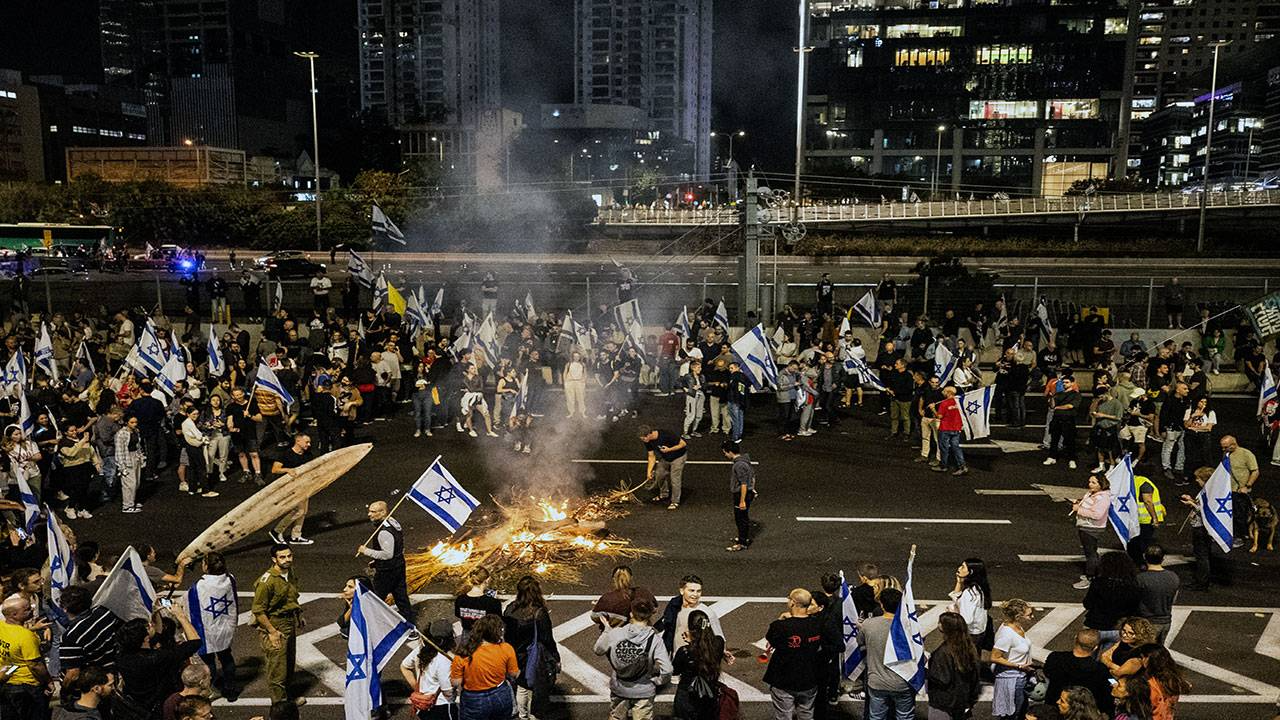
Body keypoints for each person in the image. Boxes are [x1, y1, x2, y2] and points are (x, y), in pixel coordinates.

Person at [594, 596, 671, 720]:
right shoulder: (655, 640)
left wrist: (607, 630)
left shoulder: (616, 633)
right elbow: (667, 669)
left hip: (619, 688)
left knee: (616, 717)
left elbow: (598, 650)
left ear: (631, 614)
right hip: (644, 690)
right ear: (650, 614)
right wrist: (658, 681)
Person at [252, 543, 303, 715]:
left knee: (288, 665)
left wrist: (298, 615)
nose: (287, 559)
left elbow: (292, 595)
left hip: (288, 622)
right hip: (275, 625)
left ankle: (287, 701)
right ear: (274, 559)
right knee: (277, 671)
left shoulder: (290, 572)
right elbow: (258, 610)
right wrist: (272, 632)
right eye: (282, 557)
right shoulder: (267, 582)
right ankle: (279, 711)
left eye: (289, 556)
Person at [762, 588, 829, 719]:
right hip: (809, 679)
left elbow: (772, 639)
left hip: (783, 680)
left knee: (784, 715)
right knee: (807, 714)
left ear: (793, 603)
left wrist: (782, 619)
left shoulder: (780, 626)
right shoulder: (818, 625)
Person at [502, 575, 560, 720]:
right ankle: (533, 714)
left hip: (514, 653)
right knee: (534, 687)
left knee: (521, 686)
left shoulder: (510, 609)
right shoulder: (538, 613)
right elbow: (547, 638)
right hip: (532, 656)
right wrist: (555, 657)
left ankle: (522, 715)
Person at [859, 587, 916, 720]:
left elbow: (860, 642)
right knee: (905, 717)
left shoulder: (869, 624)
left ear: (882, 605)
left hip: (877, 681)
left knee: (876, 716)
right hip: (903, 681)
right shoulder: (909, 626)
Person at [451, 613, 519, 720]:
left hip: (474, 699)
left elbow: (456, 682)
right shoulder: (506, 648)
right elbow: (513, 674)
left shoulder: (463, 653)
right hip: (500, 694)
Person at [190, 551, 238, 698]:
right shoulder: (230, 579)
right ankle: (230, 690)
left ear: (206, 567)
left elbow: (193, 611)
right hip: (225, 626)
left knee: (209, 661)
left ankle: (208, 690)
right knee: (226, 657)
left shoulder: (199, 586)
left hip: (207, 630)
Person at [358, 500, 415, 623]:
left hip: (387, 571)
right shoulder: (393, 522)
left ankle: (371, 623)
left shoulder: (384, 531)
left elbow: (387, 554)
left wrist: (366, 551)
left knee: (377, 598)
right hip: (399, 565)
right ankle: (410, 625)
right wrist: (376, 562)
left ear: (383, 512)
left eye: (373, 512)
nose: (369, 514)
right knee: (401, 598)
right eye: (369, 511)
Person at [1180, 466, 1233, 590]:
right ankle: (1202, 579)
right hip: (1201, 527)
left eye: (1198, 478)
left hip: (1201, 528)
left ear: (1205, 479)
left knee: (1202, 556)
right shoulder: (1209, 490)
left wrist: (1191, 504)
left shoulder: (1210, 492)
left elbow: (1208, 510)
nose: (1196, 481)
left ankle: (1202, 583)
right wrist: (1192, 500)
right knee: (1203, 555)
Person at [0, 595, 51, 719]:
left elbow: (15, 661)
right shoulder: (26, 637)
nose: (32, 610)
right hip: (27, 686)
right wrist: (48, 682)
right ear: (14, 615)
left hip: (7, 680)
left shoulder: (2, 626)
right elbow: (34, 665)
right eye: (27, 609)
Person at [1043, 630, 1114, 716]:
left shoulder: (1055, 658)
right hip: (1081, 711)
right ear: (1095, 647)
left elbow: (1047, 672)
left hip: (1054, 705)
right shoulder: (1100, 669)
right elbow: (1111, 684)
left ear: (1075, 639)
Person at [925, 611, 981, 720]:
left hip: (943, 703)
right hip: (962, 700)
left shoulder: (943, 652)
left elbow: (942, 679)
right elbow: (975, 676)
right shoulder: (970, 648)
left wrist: (925, 670)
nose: (938, 624)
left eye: (940, 622)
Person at [671, 609, 725, 720]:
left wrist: (690, 643)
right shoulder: (719, 643)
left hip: (687, 695)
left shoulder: (685, 651)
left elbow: (675, 670)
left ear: (691, 629)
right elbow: (705, 650)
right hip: (710, 693)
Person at [657, 575, 726, 657]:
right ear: (682, 591)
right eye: (691, 590)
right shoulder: (674, 606)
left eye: (698, 591)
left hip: (696, 659)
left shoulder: (706, 613)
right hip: (675, 656)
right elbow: (666, 624)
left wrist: (723, 652)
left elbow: (718, 636)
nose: (695, 594)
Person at [401, 620, 457, 719]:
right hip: (441, 707)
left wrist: (417, 689)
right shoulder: (444, 661)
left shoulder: (420, 650)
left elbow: (404, 667)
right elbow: (448, 693)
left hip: (422, 705)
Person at [990, 598, 1035, 720]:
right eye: (1029, 615)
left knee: (1020, 709)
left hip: (1020, 676)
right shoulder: (1007, 634)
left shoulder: (1018, 628)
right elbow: (994, 657)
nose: (1032, 617)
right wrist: (1019, 666)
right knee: (1012, 714)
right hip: (1011, 679)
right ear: (1018, 617)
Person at [266, 432, 315, 545]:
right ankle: (276, 531)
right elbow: (275, 469)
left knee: (303, 511)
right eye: (307, 442)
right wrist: (287, 470)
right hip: (291, 487)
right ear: (298, 441)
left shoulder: (308, 454)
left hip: (304, 486)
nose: (309, 444)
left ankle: (296, 536)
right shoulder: (286, 454)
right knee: (298, 511)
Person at [1082, 553, 1142, 643]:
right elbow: (1134, 608)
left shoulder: (1099, 583)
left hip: (1095, 625)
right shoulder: (1133, 585)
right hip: (1118, 627)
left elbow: (1087, 604)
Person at [1072, 474, 1113, 589]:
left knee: (1090, 554)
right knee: (1091, 552)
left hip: (1091, 528)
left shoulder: (1103, 498)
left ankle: (1090, 577)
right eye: (1090, 482)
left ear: (1101, 484)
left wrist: (1079, 510)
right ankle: (1096, 574)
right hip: (1086, 526)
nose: (1090, 484)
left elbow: (1097, 515)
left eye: (1094, 483)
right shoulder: (1092, 493)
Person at [1135, 544, 1179, 643]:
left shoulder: (1140, 578)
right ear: (1163, 558)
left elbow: (1134, 600)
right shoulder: (1173, 577)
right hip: (1165, 621)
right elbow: (1174, 599)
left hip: (1146, 622)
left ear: (1144, 557)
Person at [592, 566, 659, 629]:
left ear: (614, 579)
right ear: (631, 577)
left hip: (615, 636)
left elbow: (595, 617)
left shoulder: (607, 598)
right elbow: (654, 609)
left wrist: (601, 605)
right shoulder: (644, 592)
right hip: (642, 634)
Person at [1136, 644, 1192, 720]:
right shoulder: (1173, 679)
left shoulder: (1148, 683)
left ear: (1148, 659)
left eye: (1142, 657)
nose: (1140, 660)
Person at [639, 425, 687, 510]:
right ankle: (664, 494)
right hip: (665, 458)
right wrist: (649, 472)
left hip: (678, 457)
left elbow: (683, 444)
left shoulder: (666, 434)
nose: (643, 441)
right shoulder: (647, 441)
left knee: (675, 479)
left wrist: (670, 449)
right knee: (659, 474)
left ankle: (675, 501)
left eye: (643, 438)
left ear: (649, 435)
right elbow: (651, 456)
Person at [948, 558, 992, 651]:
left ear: (970, 572)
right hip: (979, 632)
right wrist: (959, 582)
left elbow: (967, 619)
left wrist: (953, 615)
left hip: (970, 635)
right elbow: (958, 598)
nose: (959, 568)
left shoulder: (970, 593)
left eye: (963, 567)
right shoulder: (979, 588)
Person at [1044, 374, 1081, 470]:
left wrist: (1057, 407)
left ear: (1073, 383)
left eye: (1067, 382)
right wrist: (1051, 398)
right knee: (1054, 439)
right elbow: (1052, 406)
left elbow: (1070, 406)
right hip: (1057, 419)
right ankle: (1052, 457)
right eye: (1063, 382)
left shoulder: (1076, 395)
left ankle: (1072, 459)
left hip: (1068, 420)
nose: (1065, 384)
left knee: (1070, 440)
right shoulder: (1058, 394)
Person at [724, 440, 756, 551]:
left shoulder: (739, 465)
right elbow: (752, 476)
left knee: (741, 518)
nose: (725, 455)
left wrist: (742, 500)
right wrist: (753, 489)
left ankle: (742, 543)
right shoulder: (745, 460)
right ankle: (743, 538)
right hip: (747, 492)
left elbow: (743, 483)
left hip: (741, 494)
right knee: (743, 518)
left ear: (730, 452)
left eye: (725, 453)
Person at [51, 666, 116, 720]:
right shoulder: (87, 718)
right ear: (96, 689)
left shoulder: (62, 710)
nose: (113, 688)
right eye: (110, 685)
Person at [455, 567, 503, 638]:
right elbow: (498, 622)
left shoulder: (460, 599)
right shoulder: (493, 603)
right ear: (487, 580)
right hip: (485, 638)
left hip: (466, 638)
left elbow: (458, 614)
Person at [931, 386, 969, 476]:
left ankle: (943, 466)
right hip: (956, 428)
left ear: (949, 393)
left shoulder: (944, 403)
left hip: (945, 428)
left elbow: (939, 416)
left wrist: (933, 409)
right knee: (956, 447)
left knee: (944, 448)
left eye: (944, 391)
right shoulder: (959, 402)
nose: (942, 392)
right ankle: (962, 466)